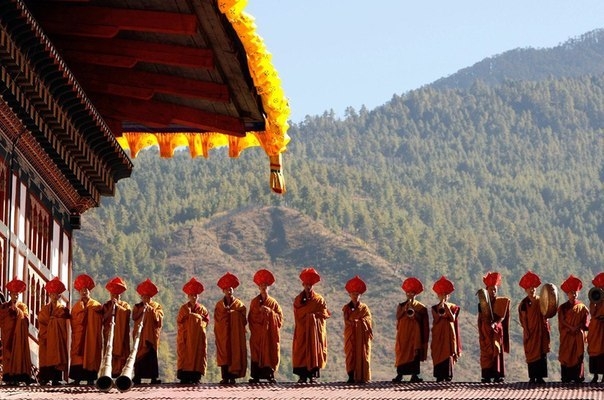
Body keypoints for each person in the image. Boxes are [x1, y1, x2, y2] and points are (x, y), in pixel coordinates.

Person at [292, 267, 331, 384]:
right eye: (306, 284)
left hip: (314, 331)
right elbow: (297, 313)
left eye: (310, 285)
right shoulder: (298, 299)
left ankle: (313, 376)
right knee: (301, 350)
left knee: (314, 350)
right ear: (303, 285)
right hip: (302, 330)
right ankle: (302, 376)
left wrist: (313, 317)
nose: (308, 287)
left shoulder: (319, 300)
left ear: (313, 285)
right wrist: (307, 317)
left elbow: (324, 314)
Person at [248, 269, 283, 384]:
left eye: (265, 285)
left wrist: (270, 312)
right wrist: (259, 313)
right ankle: (256, 376)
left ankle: (269, 375)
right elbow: (251, 318)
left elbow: (280, 319)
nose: (263, 287)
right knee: (256, 354)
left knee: (269, 352)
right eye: (261, 285)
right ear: (258, 287)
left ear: (269, 287)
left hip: (269, 335)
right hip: (257, 335)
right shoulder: (254, 302)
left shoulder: (274, 303)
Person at [392, 276, 429, 383]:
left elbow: (423, 322)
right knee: (401, 352)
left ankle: (414, 375)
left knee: (414, 353)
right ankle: (400, 374)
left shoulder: (421, 307)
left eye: (412, 293)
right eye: (408, 293)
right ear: (405, 293)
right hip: (403, 334)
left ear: (415, 294)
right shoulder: (401, 305)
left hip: (415, 335)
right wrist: (405, 309)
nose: (410, 295)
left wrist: (414, 315)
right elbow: (398, 316)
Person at [69, 273, 103, 385]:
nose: (84, 292)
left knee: (91, 354)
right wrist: (82, 314)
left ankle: (90, 378)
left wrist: (88, 313)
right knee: (78, 356)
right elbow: (73, 321)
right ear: (79, 292)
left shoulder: (96, 306)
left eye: (86, 290)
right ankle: (77, 379)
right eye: (82, 290)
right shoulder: (76, 307)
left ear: (90, 292)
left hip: (90, 336)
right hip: (79, 336)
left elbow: (99, 321)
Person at [214, 272, 247, 384]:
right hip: (223, 333)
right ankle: (225, 377)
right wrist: (225, 314)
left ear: (233, 290)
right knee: (224, 353)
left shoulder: (239, 305)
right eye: (227, 289)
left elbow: (244, 319)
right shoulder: (219, 305)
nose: (229, 291)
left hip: (235, 335)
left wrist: (233, 314)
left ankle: (232, 377)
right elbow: (217, 319)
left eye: (231, 289)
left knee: (234, 352)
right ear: (223, 291)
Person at [477, 271, 510, 383]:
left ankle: (498, 374)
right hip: (485, 330)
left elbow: (502, 317)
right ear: (487, 290)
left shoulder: (501, 302)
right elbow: (480, 318)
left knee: (497, 351)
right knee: (486, 353)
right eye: (491, 289)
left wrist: (495, 324)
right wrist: (481, 331)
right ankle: (486, 375)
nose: (493, 291)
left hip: (496, 330)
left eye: (495, 289)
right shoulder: (482, 304)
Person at [517, 271, 550, 384]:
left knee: (541, 354)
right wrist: (526, 331)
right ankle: (532, 377)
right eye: (529, 288)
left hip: (541, 332)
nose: (532, 290)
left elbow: (547, 313)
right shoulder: (524, 304)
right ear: (525, 290)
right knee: (531, 354)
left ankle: (540, 377)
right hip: (530, 333)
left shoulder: (541, 300)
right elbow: (523, 319)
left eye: (534, 288)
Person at [0, 277, 34, 385]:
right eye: (13, 294)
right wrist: (9, 312)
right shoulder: (5, 306)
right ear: (10, 294)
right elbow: (2, 318)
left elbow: (26, 319)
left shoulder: (22, 306)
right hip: (8, 336)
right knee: (8, 356)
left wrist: (18, 312)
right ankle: (8, 378)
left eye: (17, 295)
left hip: (18, 337)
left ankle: (19, 376)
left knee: (18, 355)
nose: (15, 296)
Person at [177, 277, 210, 384]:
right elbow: (180, 322)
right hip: (186, 338)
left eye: (195, 295)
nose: (194, 297)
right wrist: (190, 318)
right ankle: (184, 376)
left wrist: (195, 317)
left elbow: (206, 322)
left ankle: (196, 376)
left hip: (197, 338)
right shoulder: (183, 308)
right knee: (184, 355)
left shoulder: (202, 309)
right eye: (191, 295)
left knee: (198, 355)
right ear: (188, 296)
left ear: (198, 296)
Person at [38, 277, 70, 386]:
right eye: (52, 295)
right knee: (45, 357)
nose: (54, 297)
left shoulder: (62, 309)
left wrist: (54, 321)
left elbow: (63, 321)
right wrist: (52, 321)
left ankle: (56, 379)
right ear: (49, 296)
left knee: (57, 356)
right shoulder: (45, 308)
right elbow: (42, 320)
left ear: (59, 296)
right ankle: (45, 378)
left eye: (56, 295)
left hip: (57, 338)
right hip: (46, 337)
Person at [558, 274, 589, 383]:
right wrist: (571, 327)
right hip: (567, 335)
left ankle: (578, 376)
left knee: (578, 356)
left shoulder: (582, 307)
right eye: (571, 292)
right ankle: (566, 377)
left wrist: (577, 327)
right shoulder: (562, 307)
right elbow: (561, 321)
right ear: (567, 294)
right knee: (566, 354)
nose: (574, 294)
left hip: (577, 335)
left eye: (575, 292)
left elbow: (585, 322)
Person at [132, 278, 164, 385]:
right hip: (140, 336)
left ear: (151, 298)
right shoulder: (137, 306)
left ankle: (153, 378)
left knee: (151, 356)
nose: (145, 299)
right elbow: (134, 317)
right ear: (141, 297)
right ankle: (137, 377)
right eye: (144, 297)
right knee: (139, 355)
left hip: (151, 337)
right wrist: (142, 309)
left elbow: (159, 319)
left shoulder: (156, 306)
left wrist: (150, 309)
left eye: (148, 297)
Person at [430, 276, 462, 382]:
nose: (443, 297)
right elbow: (436, 319)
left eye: (445, 295)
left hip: (448, 336)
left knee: (448, 354)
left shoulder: (454, 307)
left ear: (448, 296)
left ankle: (448, 375)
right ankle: (439, 375)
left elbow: (452, 318)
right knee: (438, 353)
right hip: (438, 335)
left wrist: (447, 308)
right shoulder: (434, 308)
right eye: (441, 295)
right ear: (438, 295)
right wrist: (441, 307)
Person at [343, 275, 373, 384]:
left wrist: (358, 322)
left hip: (361, 337)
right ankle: (351, 376)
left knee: (363, 355)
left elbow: (368, 319)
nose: (355, 296)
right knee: (350, 355)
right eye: (353, 294)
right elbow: (346, 320)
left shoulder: (364, 308)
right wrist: (353, 323)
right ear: (349, 295)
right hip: (351, 335)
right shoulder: (346, 308)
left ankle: (363, 377)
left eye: (357, 294)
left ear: (360, 295)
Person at [102, 276, 131, 378]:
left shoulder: (125, 305)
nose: (114, 297)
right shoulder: (106, 305)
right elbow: (104, 318)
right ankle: (109, 373)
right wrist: (112, 308)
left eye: (117, 295)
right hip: (109, 333)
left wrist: (118, 306)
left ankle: (122, 374)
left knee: (122, 354)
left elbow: (127, 314)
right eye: (112, 294)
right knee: (109, 351)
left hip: (121, 335)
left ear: (120, 296)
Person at [588, 272, 604, 383]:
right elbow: (592, 312)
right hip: (595, 328)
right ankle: (595, 376)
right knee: (594, 352)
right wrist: (594, 300)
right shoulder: (595, 296)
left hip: (603, 330)